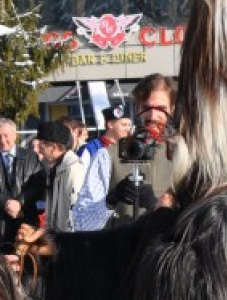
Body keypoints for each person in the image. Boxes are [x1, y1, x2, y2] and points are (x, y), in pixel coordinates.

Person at [73, 74, 176, 231]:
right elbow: (81, 223)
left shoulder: (185, 156)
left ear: (172, 109)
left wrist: (158, 208)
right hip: (120, 253)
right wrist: (110, 201)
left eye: (161, 109)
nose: (153, 116)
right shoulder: (106, 156)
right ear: (137, 108)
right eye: (147, 108)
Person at [0, 118, 43, 252]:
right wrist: (6, 202)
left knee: (27, 264)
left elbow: (38, 185)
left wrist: (19, 203)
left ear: (15, 135)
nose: (2, 140)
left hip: (26, 220)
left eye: (6, 135)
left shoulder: (31, 157)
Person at [38, 121, 85, 233]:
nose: (40, 149)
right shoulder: (55, 168)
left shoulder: (73, 168)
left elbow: (75, 207)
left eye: (42, 145)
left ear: (54, 147)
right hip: (57, 236)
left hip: (70, 238)